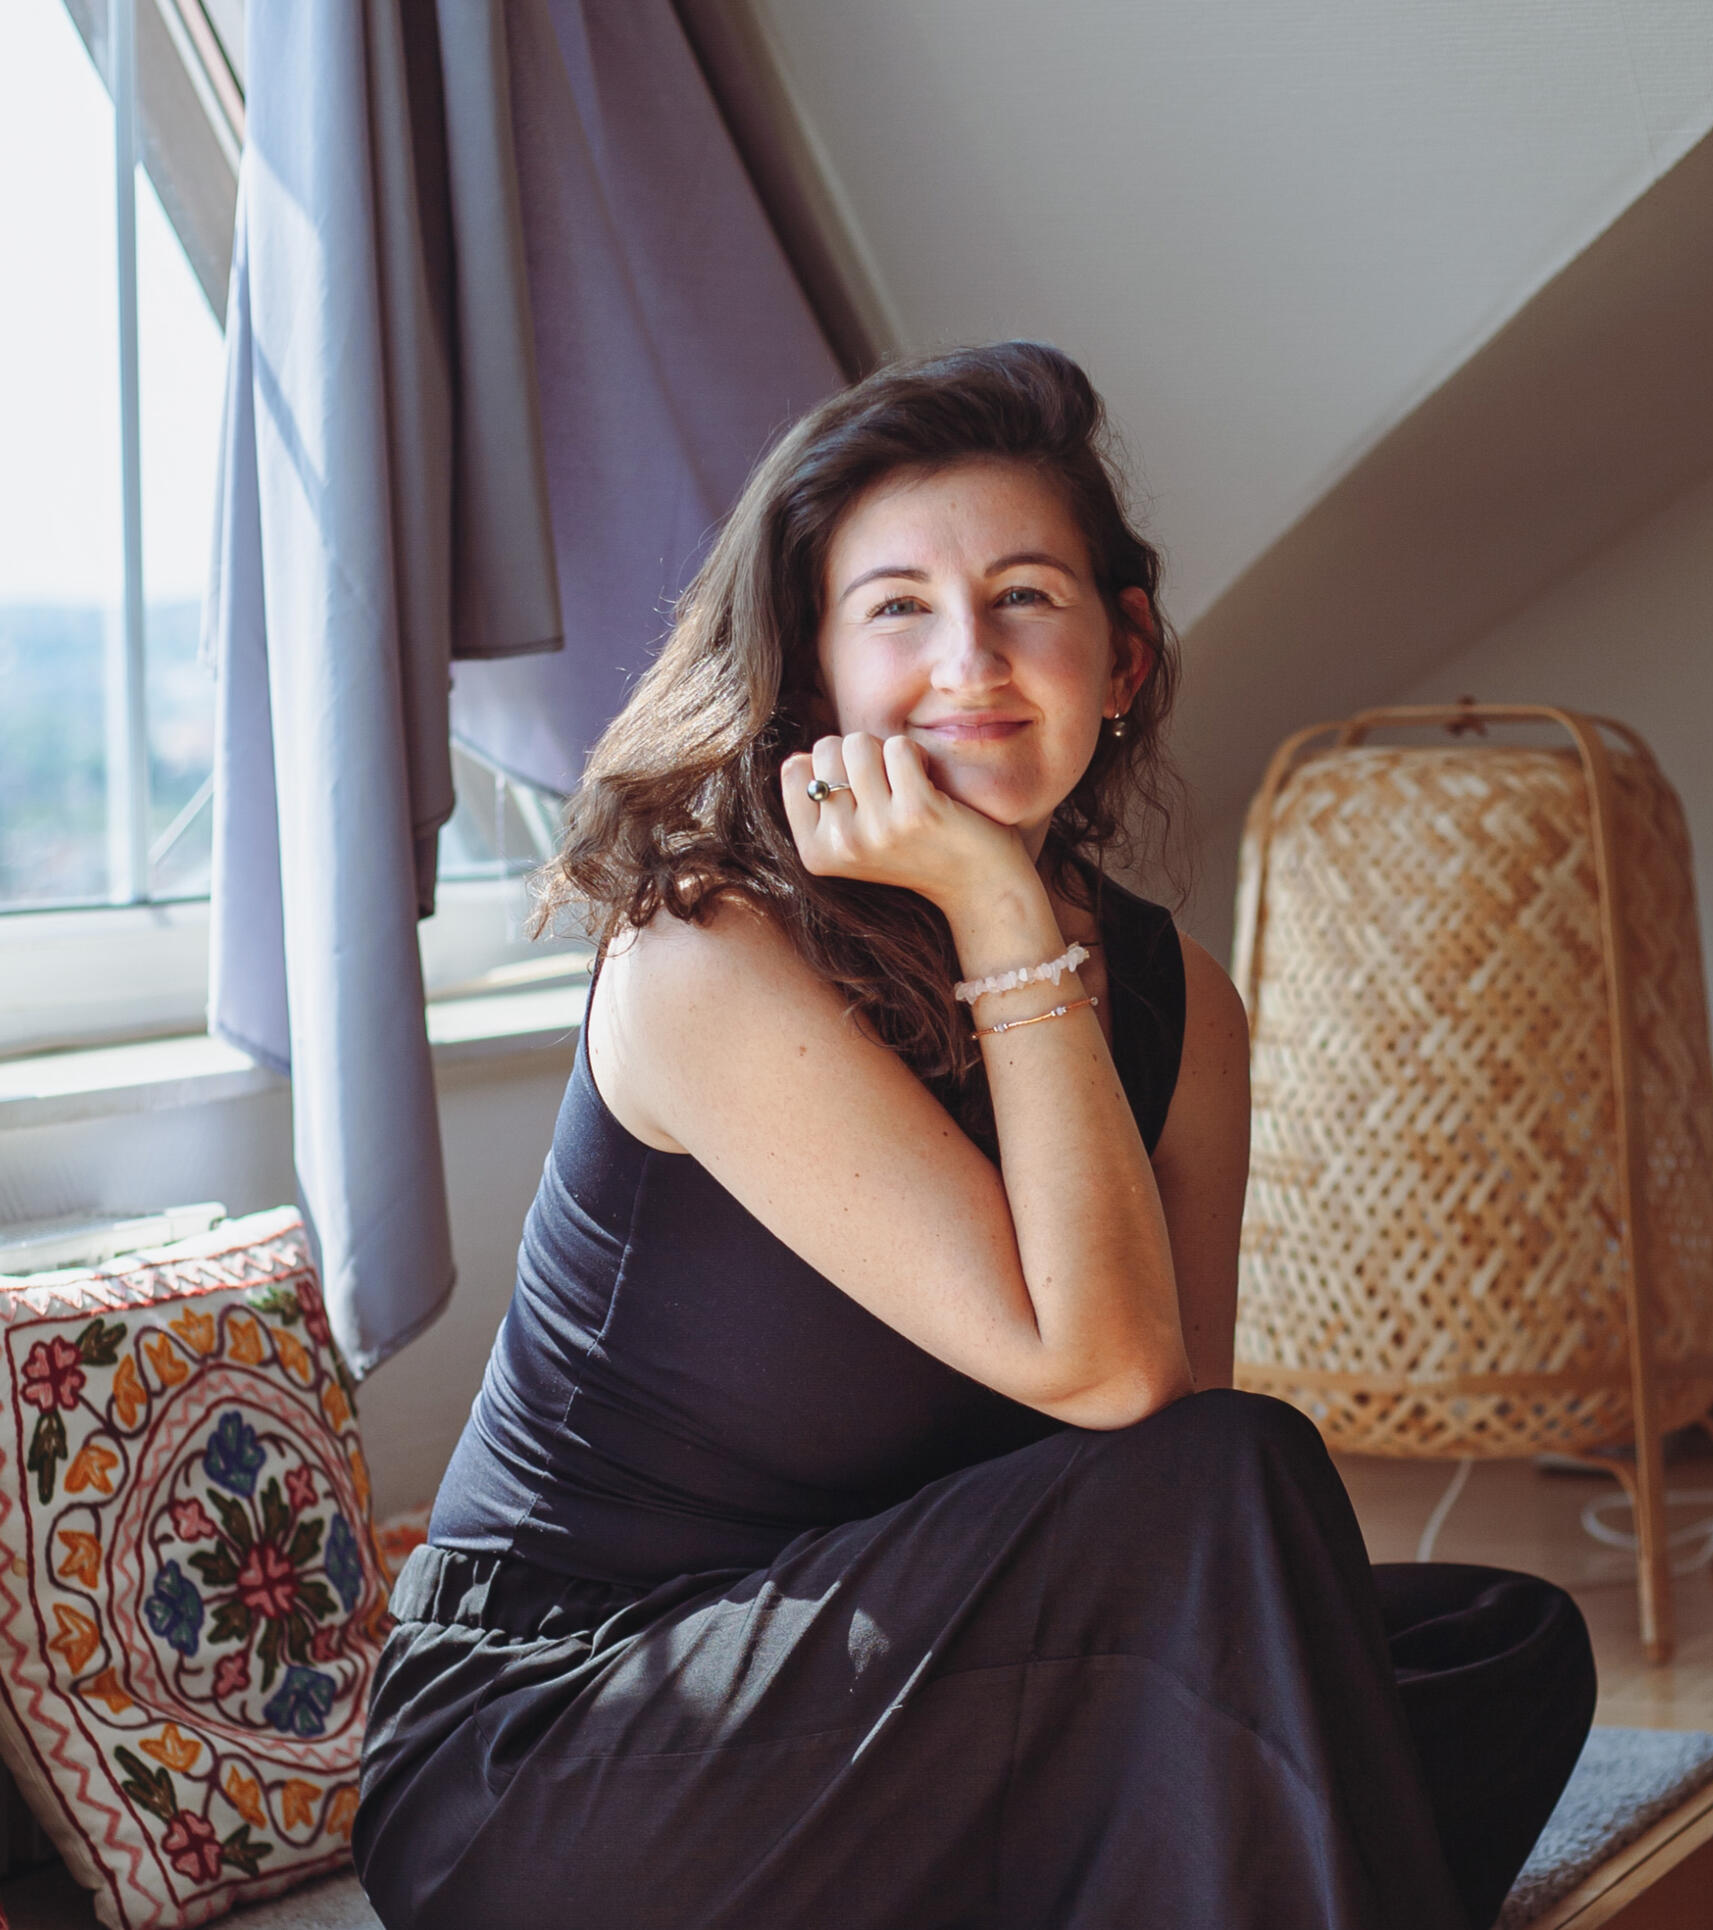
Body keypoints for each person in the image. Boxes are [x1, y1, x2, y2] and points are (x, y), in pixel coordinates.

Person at [354, 342, 1595, 1930]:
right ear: (814, 678)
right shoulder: (707, 954)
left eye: (1024, 596)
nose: (971, 659)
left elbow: (1150, 1470)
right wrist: (1003, 902)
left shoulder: (1182, 1006)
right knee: (1260, 1533)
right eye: (898, 609)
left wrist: (1021, 920)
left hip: (908, 1665)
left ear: (1121, 656)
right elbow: (1116, 1379)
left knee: (1500, 1644)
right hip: (574, 1734)